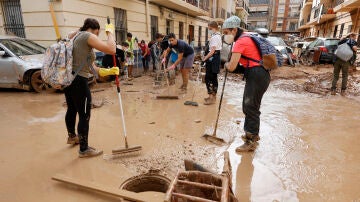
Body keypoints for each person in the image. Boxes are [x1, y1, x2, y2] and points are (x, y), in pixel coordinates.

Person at [65, 18, 119, 157]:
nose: (97, 37)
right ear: (95, 30)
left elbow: (90, 67)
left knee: (72, 109)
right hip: (78, 81)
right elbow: (112, 49)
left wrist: (106, 71)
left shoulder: (76, 36)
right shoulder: (88, 36)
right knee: (84, 114)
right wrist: (110, 33)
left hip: (68, 79)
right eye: (98, 33)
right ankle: (84, 149)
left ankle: (72, 136)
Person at [222, 16, 270, 152]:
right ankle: (252, 134)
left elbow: (231, 66)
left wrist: (225, 64)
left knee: (250, 107)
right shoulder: (247, 37)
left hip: (256, 74)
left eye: (226, 32)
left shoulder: (241, 42)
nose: (225, 36)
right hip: (260, 74)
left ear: (234, 30)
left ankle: (251, 141)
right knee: (251, 106)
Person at [202, 21, 222, 105]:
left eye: (209, 28)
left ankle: (211, 98)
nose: (208, 29)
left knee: (209, 78)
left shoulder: (215, 37)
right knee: (213, 78)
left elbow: (213, 51)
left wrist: (205, 58)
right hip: (215, 58)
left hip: (213, 59)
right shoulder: (217, 35)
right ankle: (212, 97)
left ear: (212, 27)